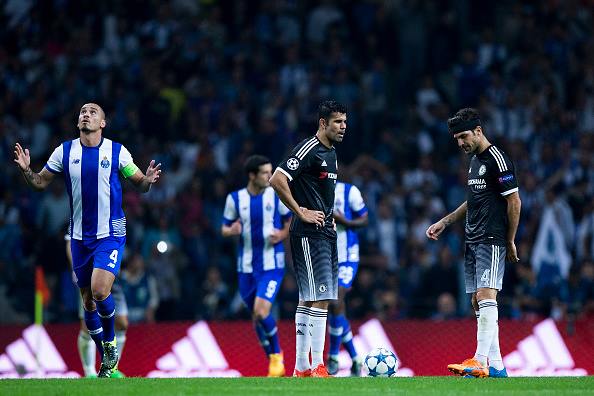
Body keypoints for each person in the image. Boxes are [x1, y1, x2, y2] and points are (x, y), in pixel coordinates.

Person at [14, 103, 161, 378]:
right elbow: (40, 182)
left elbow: (139, 183)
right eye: (83, 111)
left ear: (102, 123)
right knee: (88, 302)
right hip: (79, 236)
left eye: (93, 112)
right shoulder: (64, 151)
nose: (86, 114)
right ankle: (108, 358)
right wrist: (26, 170)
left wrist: (149, 180)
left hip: (111, 233)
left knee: (99, 291)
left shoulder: (117, 152)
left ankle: (110, 346)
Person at [425, 108, 521, 378]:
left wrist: (510, 239)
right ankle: (498, 367)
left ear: (478, 131)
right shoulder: (475, 160)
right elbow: (474, 200)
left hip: (492, 237)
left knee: (486, 296)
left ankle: (480, 360)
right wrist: (445, 221)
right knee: (476, 302)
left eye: (464, 136)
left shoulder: (497, 160)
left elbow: (514, 200)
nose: (460, 143)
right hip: (473, 238)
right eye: (457, 139)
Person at [270, 100, 347, 378]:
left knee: (308, 298)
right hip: (310, 234)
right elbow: (277, 179)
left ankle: (302, 366)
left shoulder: (331, 152)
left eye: (345, 122)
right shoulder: (308, 149)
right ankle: (317, 365)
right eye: (338, 122)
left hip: (324, 232)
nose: (343, 127)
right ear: (323, 123)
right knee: (323, 297)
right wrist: (299, 210)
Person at [221, 155, 292, 377]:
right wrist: (231, 231)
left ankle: (277, 356)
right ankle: (273, 363)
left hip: (272, 265)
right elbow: (224, 227)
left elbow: (291, 221)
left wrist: (282, 234)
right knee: (256, 317)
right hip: (246, 268)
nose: (270, 177)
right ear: (252, 175)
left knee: (262, 312)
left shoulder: (277, 194)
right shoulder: (235, 199)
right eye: (265, 173)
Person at [66, 235, 129, 378]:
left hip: (112, 276)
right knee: (87, 323)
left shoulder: (114, 216)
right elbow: (70, 242)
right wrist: (76, 268)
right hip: (89, 271)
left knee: (122, 323)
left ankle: (112, 367)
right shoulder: (79, 216)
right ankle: (89, 371)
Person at [326, 180, 368, 376]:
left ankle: (333, 356)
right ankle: (355, 358)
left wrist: (345, 221)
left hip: (347, 256)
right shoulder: (312, 192)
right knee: (336, 307)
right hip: (324, 257)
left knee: (335, 302)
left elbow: (364, 219)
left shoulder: (349, 191)